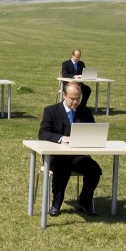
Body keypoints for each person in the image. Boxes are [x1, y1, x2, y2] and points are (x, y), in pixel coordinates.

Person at [38, 82, 100, 217]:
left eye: (78, 98)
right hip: (56, 155)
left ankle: (84, 203)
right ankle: (56, 204)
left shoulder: (85, 112)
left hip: (77, 155)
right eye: (72, 98)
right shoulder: (51, 111)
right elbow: (43, 133)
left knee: (94, 170)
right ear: (64, 95)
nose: (76, 102)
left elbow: (93, 131)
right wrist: (61, 138)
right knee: (62, 170)